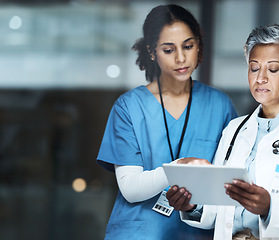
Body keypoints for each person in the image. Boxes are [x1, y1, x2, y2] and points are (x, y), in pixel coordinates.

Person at [166, 24, 279, 239]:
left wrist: (271, 207)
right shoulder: (235, 129)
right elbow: (221, 209)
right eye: (254, 68)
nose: (260, 78)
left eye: (272, 69)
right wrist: (192, 205)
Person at [96, 4, 238, 240]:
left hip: (195, 232)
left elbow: (227, 184)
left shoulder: (220, 105)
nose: (181, 58)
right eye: (169, 50)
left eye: (188, 46)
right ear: (152, 51)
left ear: (198, 45)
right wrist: (181, 167)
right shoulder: (129, 107)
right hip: (140, 233)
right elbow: (130, 189)